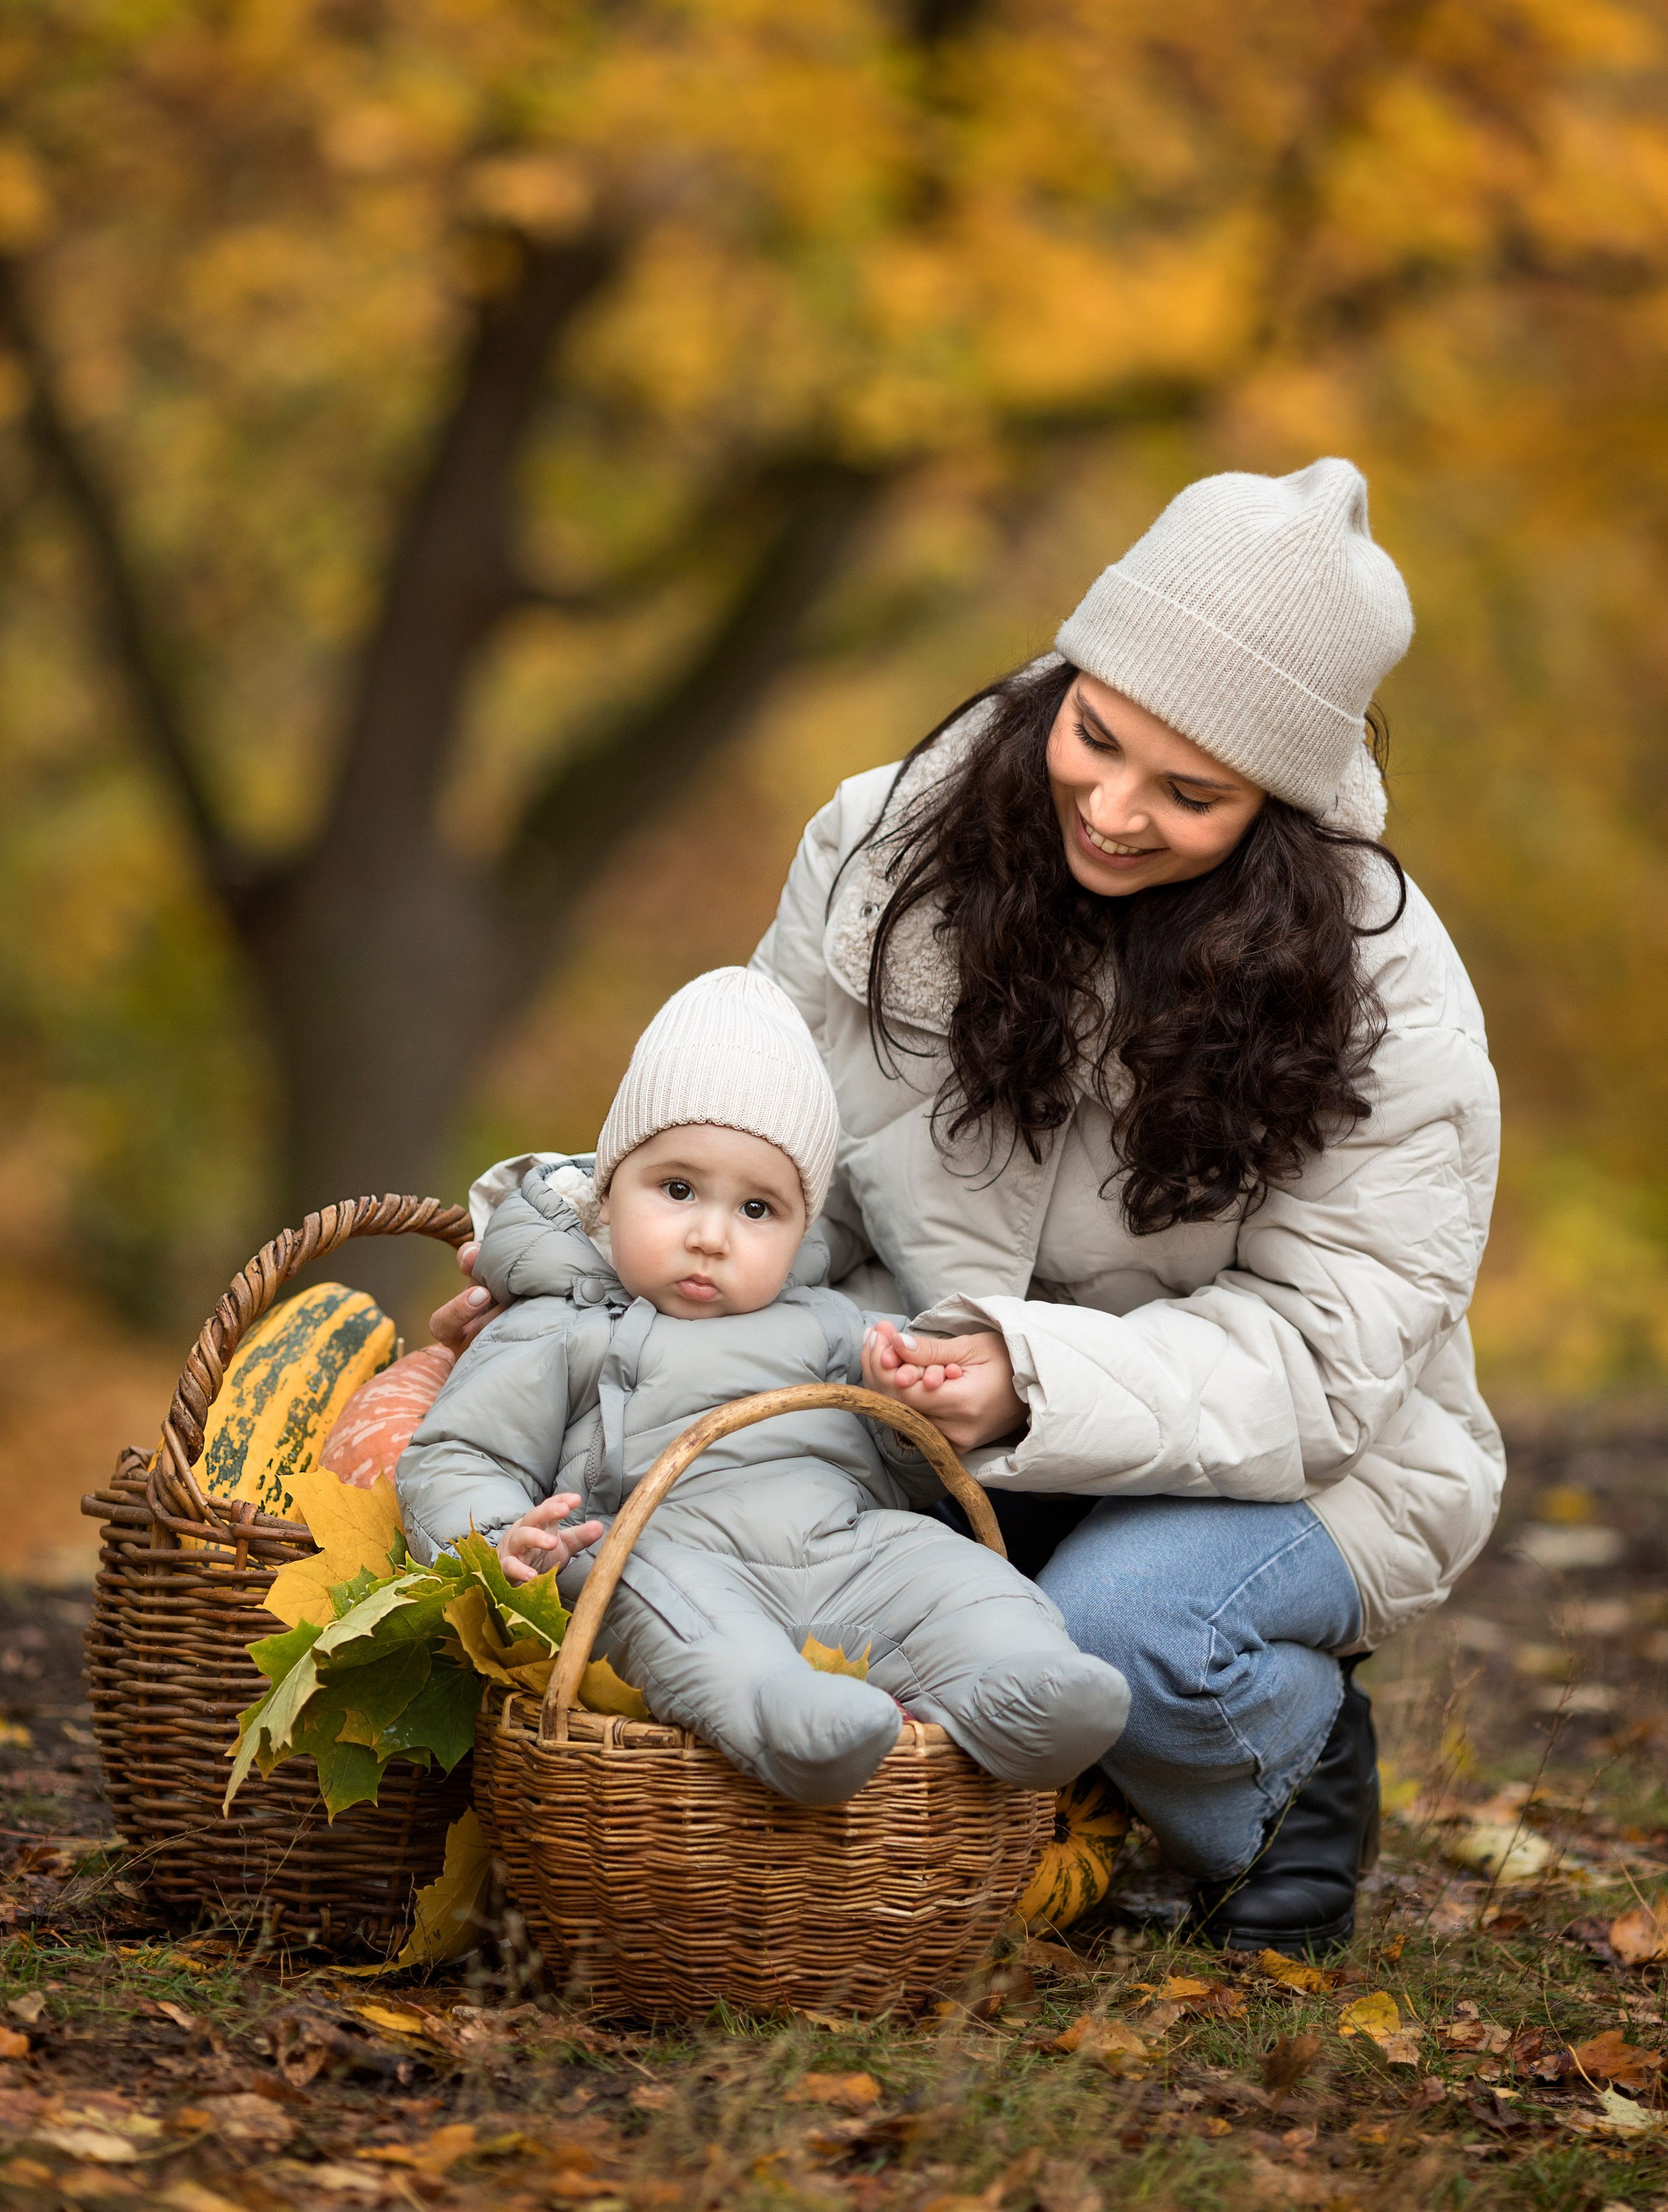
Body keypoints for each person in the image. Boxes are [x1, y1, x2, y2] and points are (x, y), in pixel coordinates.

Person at [431, 456, 1502, 1957]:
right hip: (921, 1389)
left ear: (1280, 801)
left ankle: (1281, 1786)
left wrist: (1031, 1375)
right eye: (1094, 736)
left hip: (1294, 1458)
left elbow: (1324, 1357)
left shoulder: (1383, 997)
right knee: (691, 1493)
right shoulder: (887, 853)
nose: (1111, 810)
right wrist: (581, 1268)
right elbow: (769, 1159)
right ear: (1066, 677)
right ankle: (858, 1833)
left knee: (1124, 1633)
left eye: (1188, 794)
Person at [396, 967, 1130, 1810]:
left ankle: (1018, 1681)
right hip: (661, 1551)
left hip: (839, 1544)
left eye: (757, 1210)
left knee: (947, 1570)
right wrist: (497, 1541)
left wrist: (904, 1414)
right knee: (666, 1609)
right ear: (609, 1191)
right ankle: (780, 1717)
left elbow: (911, 1477)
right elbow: (460, 1453)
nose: (711, 1236)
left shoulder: (832, 1322)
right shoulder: (559, 1322)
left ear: (801, 1228)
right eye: (677, 1191)